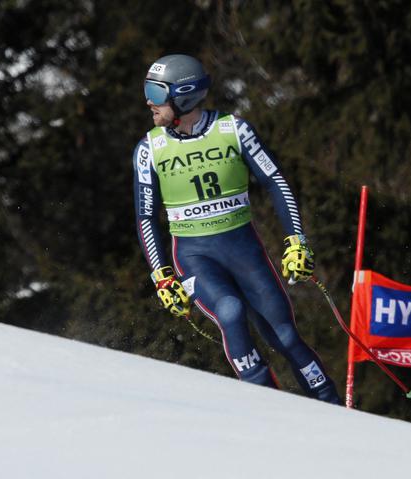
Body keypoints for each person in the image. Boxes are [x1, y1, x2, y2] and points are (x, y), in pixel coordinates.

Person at [132, 54, 340, 404]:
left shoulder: (234, 130)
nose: (148, 100)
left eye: (155, 90)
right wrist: (161, 275)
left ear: (183, 95)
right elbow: (145, 217)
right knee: (230, 311)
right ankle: (268, 408)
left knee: (285, 337)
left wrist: (296, 240)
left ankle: (334, 409)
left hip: (244, 251)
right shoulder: (149, 149)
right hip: (194, 257)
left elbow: (275, 181)